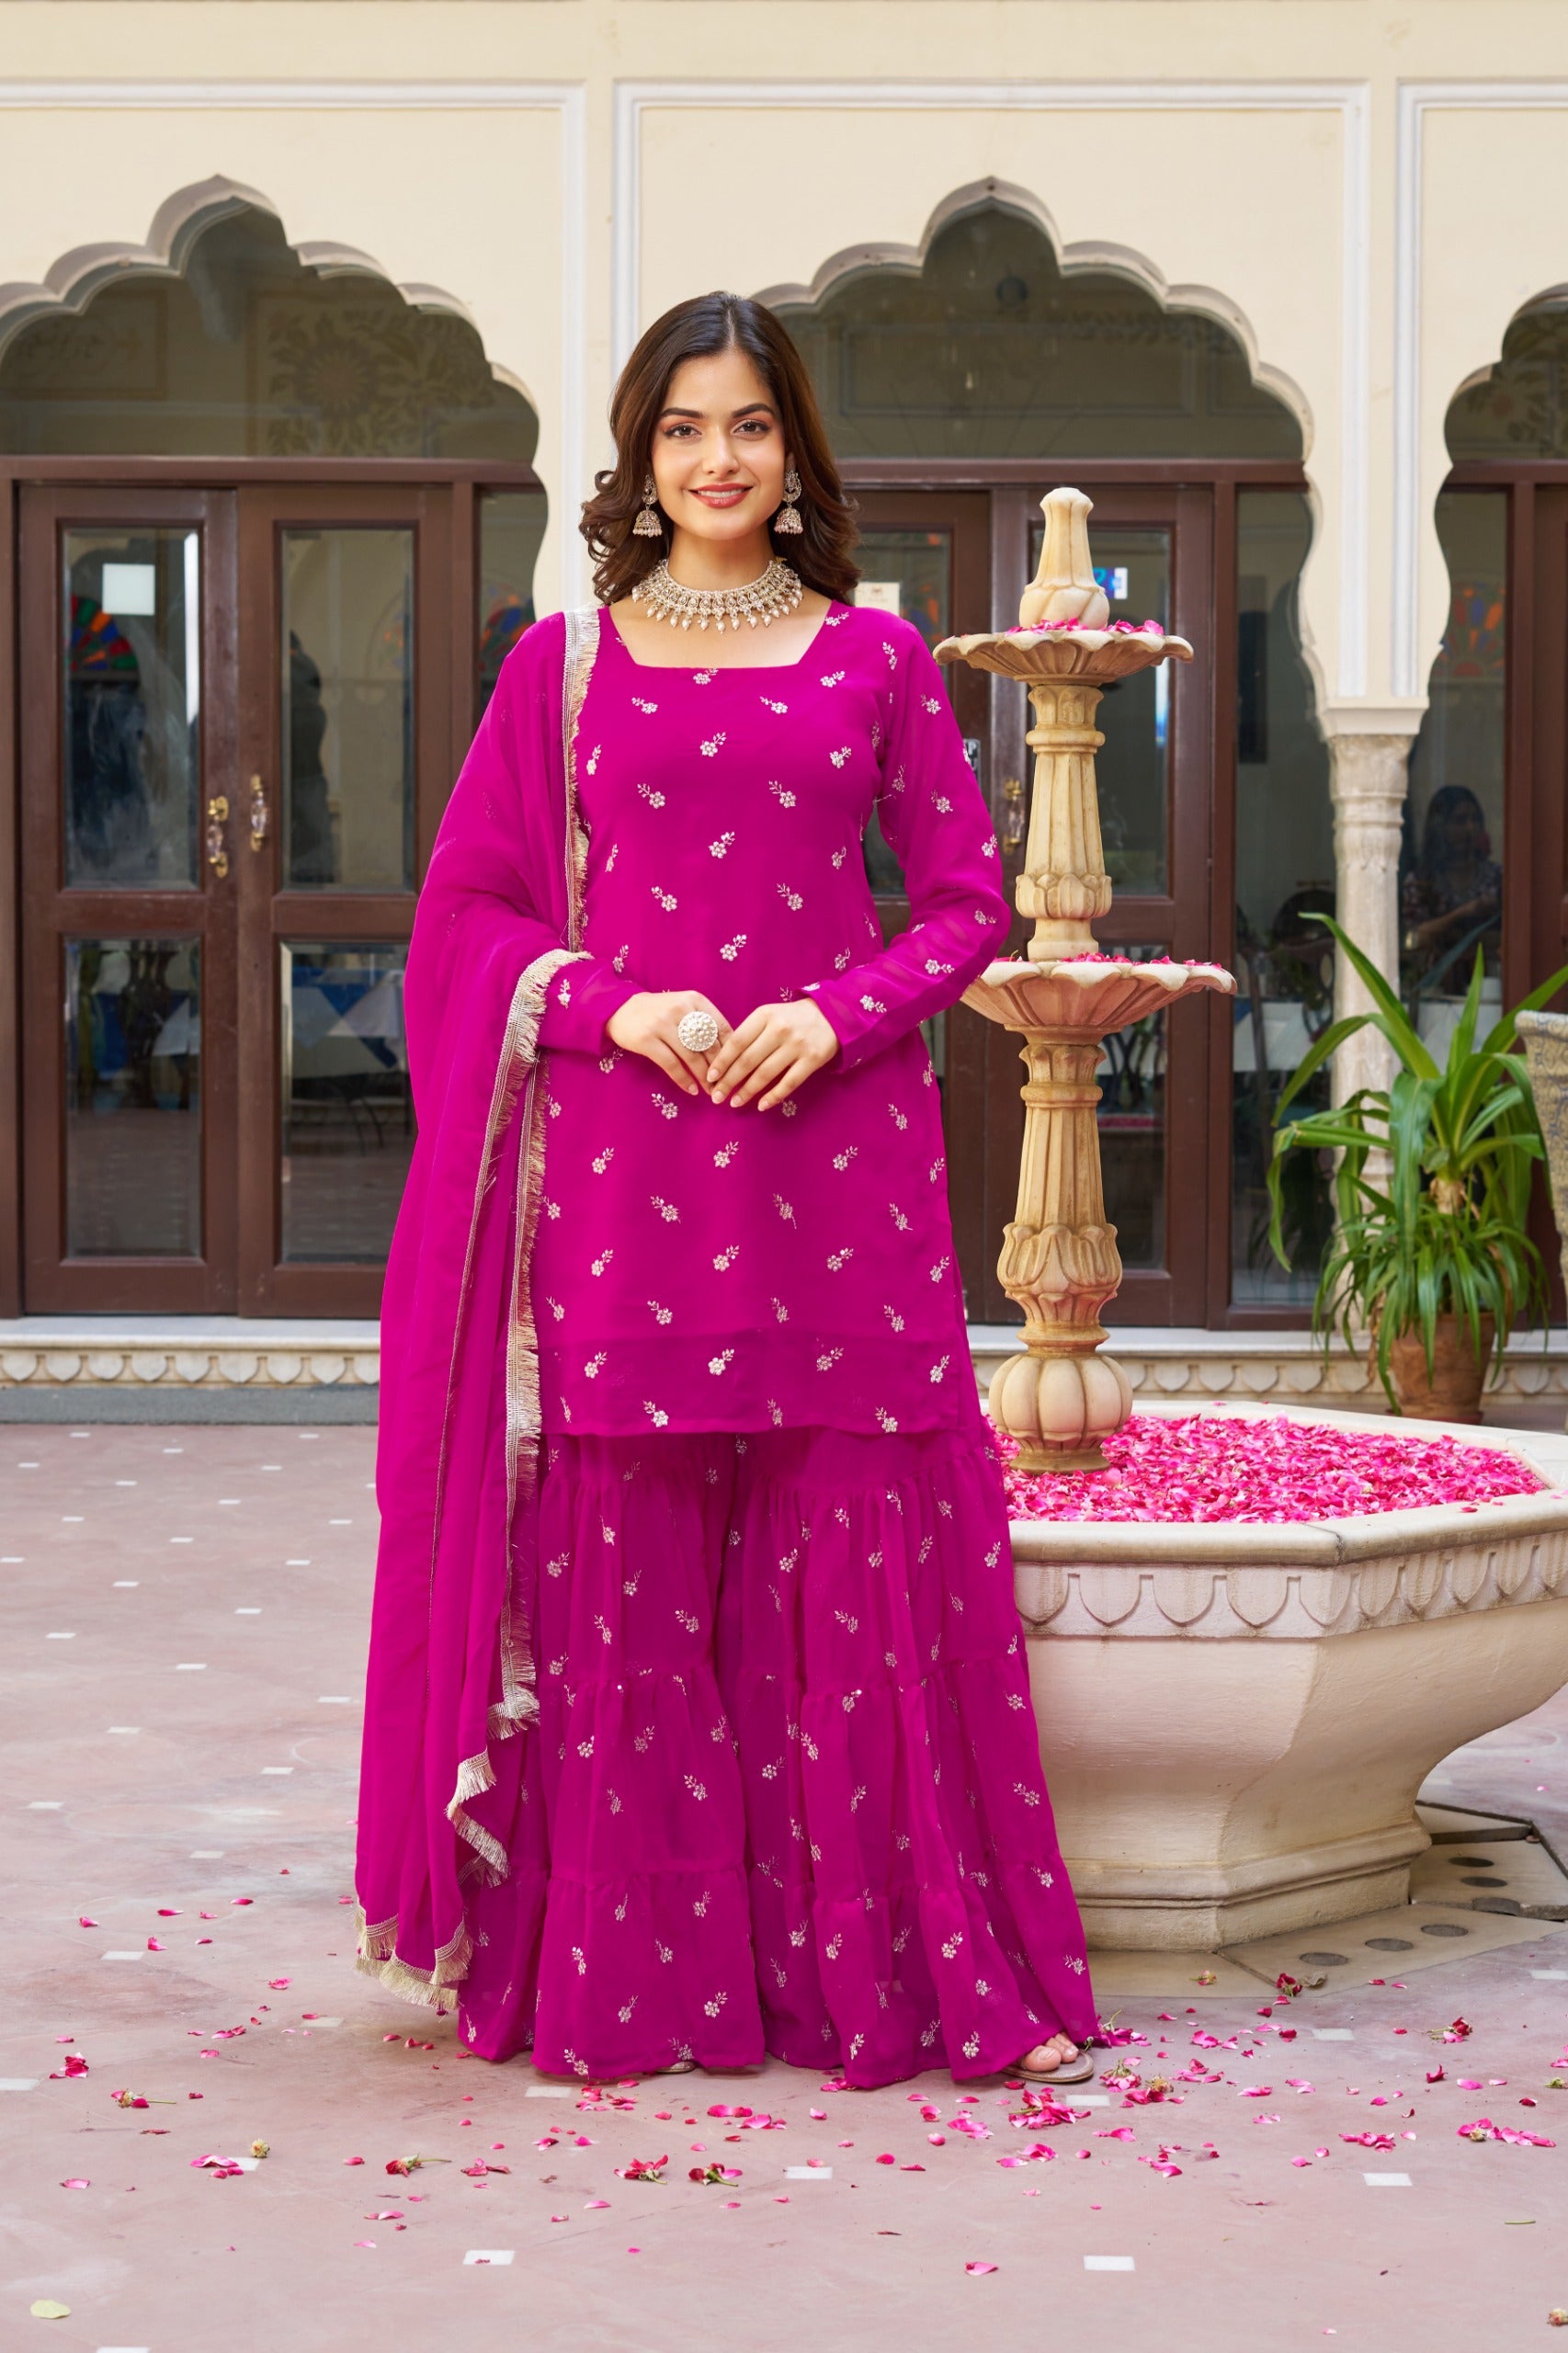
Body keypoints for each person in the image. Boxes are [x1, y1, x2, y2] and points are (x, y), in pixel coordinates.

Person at [354, 291, 1096, 2091]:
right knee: (627, 1570)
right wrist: (625, 1001)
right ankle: (639, 1988)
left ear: (793, 452)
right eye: (683, 427)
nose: (716, 458)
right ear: (641, 453)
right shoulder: (564, 667)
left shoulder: (877, 659)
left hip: (835, 1162)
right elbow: (470, 920)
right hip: (626, 1162)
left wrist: (826, 1020)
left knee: (845, 1551)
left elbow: (964, 907)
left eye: (748, 425)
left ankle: (866, 1980)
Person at [1400, 784, 1502, 982]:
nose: (1470, 828)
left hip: (1489, 983)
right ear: (1440, 827)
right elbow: (1417, 936)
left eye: (1475, 819)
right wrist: (1466, 912)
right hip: (1433, 985)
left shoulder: (1497, 877)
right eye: (1460, 820)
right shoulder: (1421, 881)